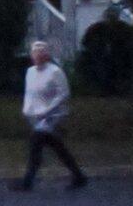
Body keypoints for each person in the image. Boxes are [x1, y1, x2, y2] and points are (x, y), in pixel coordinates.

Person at [16, 39, 88, 191]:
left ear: (46, 55)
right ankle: (79, 176)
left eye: (41, 53)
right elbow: (30, 94)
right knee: (57, 146)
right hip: (36, 116)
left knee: (36, 143)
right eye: (35, 53)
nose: (37, 56)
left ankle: (27, 181)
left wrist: (47, 110)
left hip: (52, 115)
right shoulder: (30, 72)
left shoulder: (55, 72)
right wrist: (27, 110)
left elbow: (64, 94)